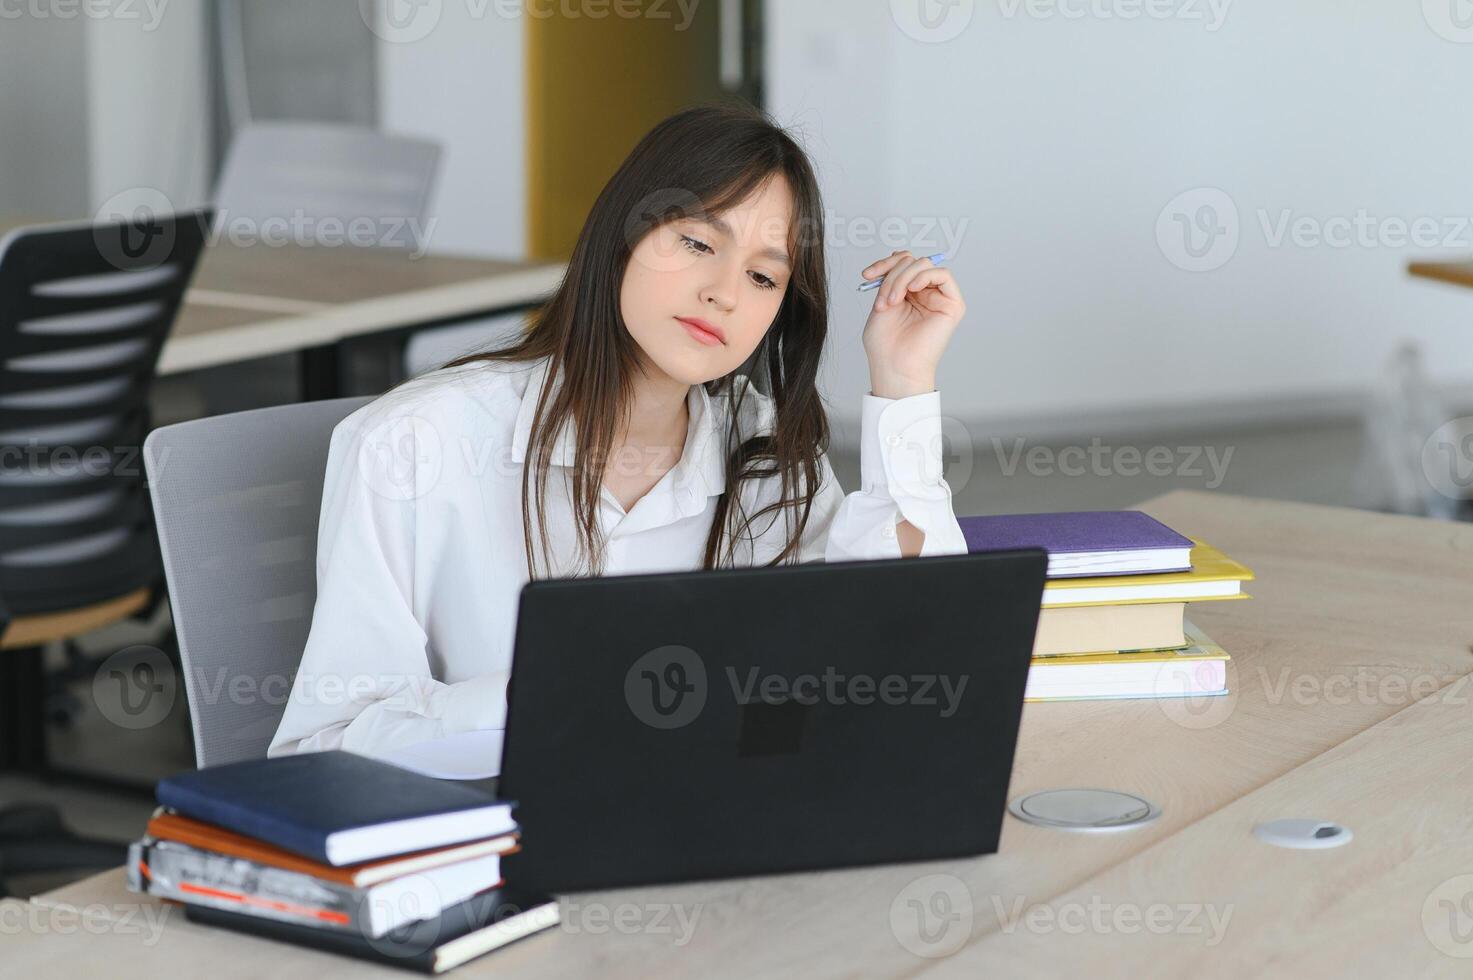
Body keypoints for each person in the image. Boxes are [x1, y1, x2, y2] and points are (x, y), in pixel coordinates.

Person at [268, 102, 969, 758]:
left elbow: (897, 658)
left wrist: (903, 384)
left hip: (717, 832)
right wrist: (560, 695)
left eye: (762, 278)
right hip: (490, 847)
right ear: (623, 234)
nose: (723, 291)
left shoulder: (767, 448)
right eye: (697, 242)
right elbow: (328, 741)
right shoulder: (413, 444)